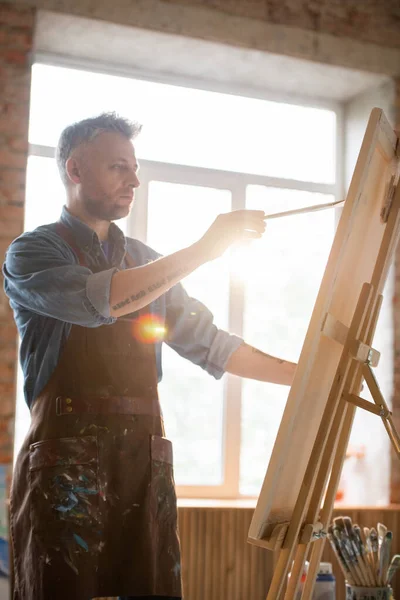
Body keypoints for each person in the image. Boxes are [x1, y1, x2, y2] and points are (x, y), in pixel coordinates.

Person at [2, 113, 296, 600]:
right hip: (64, 467)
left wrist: (307, 377)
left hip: (143, 461)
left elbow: (214, 344)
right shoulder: (32, 254)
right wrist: (204, 249)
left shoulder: (145, 260)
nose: (134, 179)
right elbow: (105, 301)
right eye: (119, 166)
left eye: (135, 168)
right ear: (75, 170)